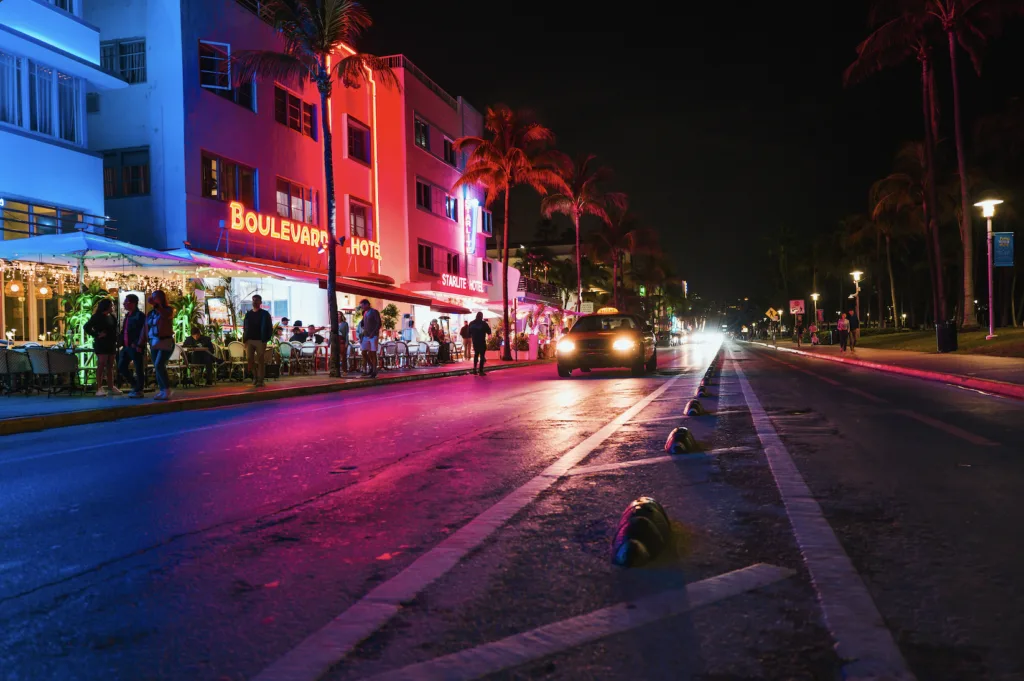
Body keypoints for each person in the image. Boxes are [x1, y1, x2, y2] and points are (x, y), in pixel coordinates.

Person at [85, 298, 121, 396]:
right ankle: (99, 387)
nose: (113, 307)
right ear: (106, 307)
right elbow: (87, 327)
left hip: (111, 342)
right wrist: (97, 334)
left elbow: (115, 329)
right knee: (101, 364)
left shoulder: (112, 317)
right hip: (102, 343)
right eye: (111, 305)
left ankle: (111, 386)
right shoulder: (97, 317)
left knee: (110, 365)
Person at [145, 290, 175, 400]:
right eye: (152, 297)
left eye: (155, 297)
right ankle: (162, 390)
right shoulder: (152, 313)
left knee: (159, 364)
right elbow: (147, 326)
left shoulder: (168, 310)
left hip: (165, 341)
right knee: (157, 367)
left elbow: (165, 315)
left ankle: (166, 389)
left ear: (161, 298)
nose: (153, 299)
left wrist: (156, 305)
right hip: (154, 341)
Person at [118, 294, 147, 398]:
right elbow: (125, 330)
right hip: (126, 346)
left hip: (135, 345)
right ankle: (135, 385)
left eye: (126, 302)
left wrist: (138, 343)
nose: (124, 304)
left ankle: (139, 389)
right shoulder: (128, 315)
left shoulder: (139, 316)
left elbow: (142, 331)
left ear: (133, 303)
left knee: (138, 367)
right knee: (121, 366)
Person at [243, 294, 273, 387]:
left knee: (260, 360)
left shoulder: (264, 314)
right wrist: (245, 339)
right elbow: (245, 327)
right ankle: (255, 376)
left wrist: (266, 339)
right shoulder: (248, 314)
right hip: (250, 340)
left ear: (260, 302)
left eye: (256, 300)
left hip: (260, 340)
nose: (254, 302)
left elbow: (269, 327)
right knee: (249, 359)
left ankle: (260, 379)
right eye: (253, 300)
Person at [359, 298, 381, 378]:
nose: (362, 308)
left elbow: (378, 323)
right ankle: (372, 366)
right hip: (365, 335)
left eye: (363, 306)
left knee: (373, 353)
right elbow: (362, 323)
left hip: (373, 336)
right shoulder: (364, 313)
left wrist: (373, 332)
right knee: (363, 352)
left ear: (367, 304)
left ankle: (374, 370)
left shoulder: (374, 312)